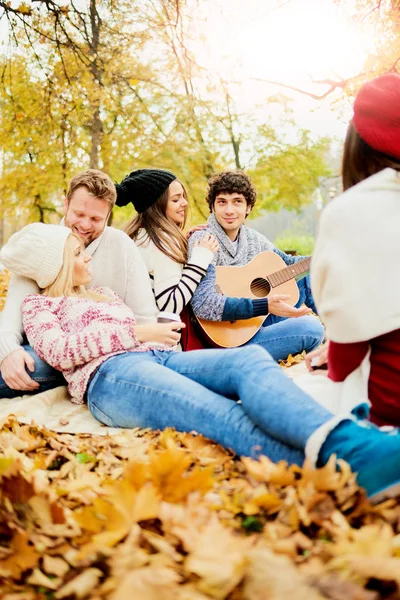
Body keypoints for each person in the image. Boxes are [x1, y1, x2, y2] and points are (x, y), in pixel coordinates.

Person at [2, 222, 400, 504]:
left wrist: (152, 332)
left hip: (157, 358)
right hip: (111, 379)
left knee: (247, 360)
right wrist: (140, 333)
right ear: (52, 265)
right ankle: (348, 466)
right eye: (75, 252)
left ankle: (346, 441)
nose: (86, 255)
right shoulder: (41, 305)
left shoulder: (103, 291)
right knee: (218, 413)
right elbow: (60, 352)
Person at [0, 169, 158, 398]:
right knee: (26, 362)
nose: (85, 225)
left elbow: (144, 317)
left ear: (108, 216)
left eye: (95, 219)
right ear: (66, 204)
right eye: (79, 213)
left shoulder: (121, 246)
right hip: (49, 351)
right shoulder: (46, 244)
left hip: (110, 352)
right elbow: (13, 311)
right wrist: (7, 351)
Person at [304, 73, 400, 429]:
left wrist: (336, 354)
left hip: (386, 405)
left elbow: (345, 360)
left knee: (254, 381)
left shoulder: (350, 211)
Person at [188, 171, 324, 361]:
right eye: (222, 202)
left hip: (257, 323)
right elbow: (205, 304)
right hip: (230, 342)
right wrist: (264, 305)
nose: (229, 210)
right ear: (212, 207)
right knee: (311, 328)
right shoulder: (204, 240)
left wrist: (325, 255)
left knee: (308, 275)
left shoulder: (253, 239)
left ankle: (342, 337)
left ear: (248, 207)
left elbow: (288, 264)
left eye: (237, 202)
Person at [115, 169, 218, 323]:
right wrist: (199, 260)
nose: (185, 203)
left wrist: (182, 240)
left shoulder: (137, 236)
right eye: (176, 200)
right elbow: (170, 305)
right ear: (157, 205)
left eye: (183, 197)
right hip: (157, 338)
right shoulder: (161, 242)